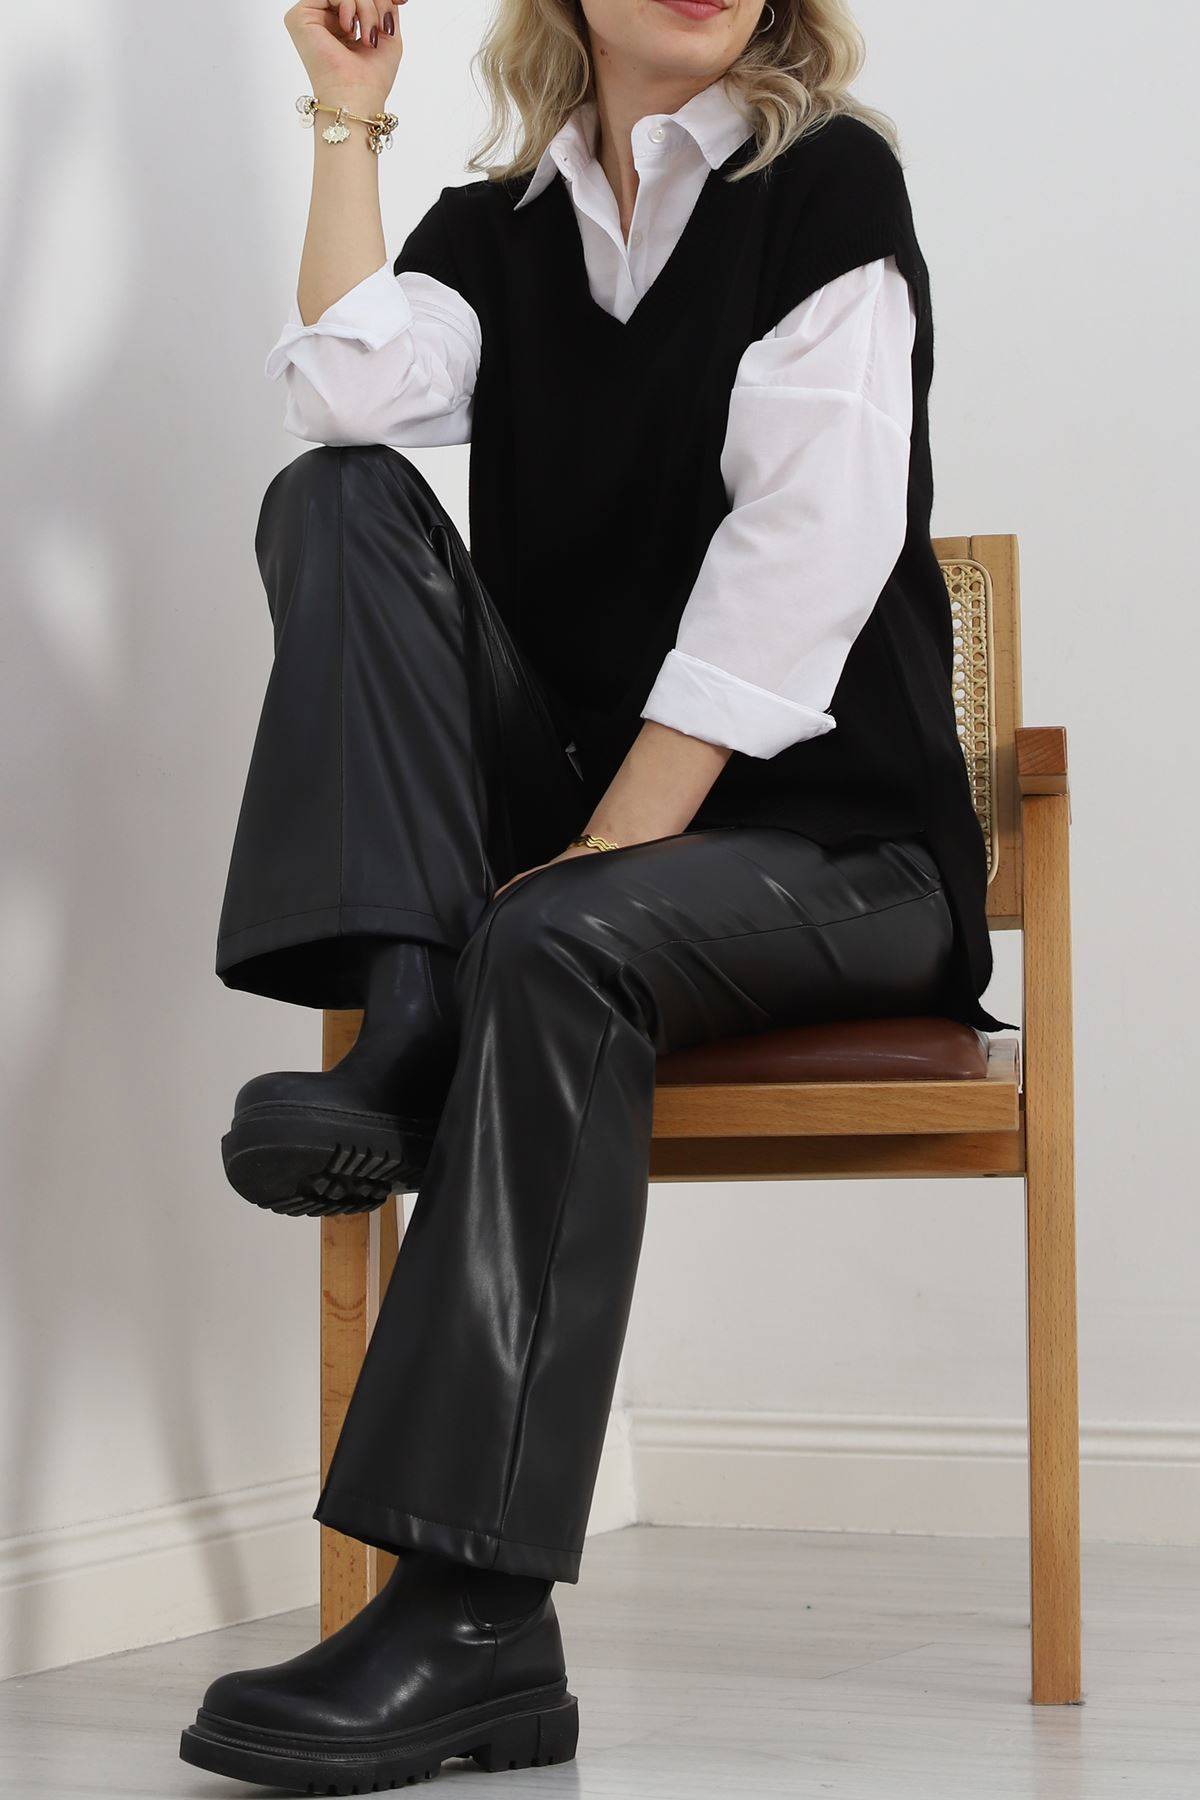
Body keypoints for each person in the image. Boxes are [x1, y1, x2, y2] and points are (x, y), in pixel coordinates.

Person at [180, 0, 1015, 1788]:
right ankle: (411, 998)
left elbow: (806, 552)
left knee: (559, 943)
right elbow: (342, 390)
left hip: (842, 859)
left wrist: (591, 857)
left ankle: (474, 1622)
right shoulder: (501, 235)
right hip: (586, 858)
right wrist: (347, 116)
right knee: (337, 498)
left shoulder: (826, 191)